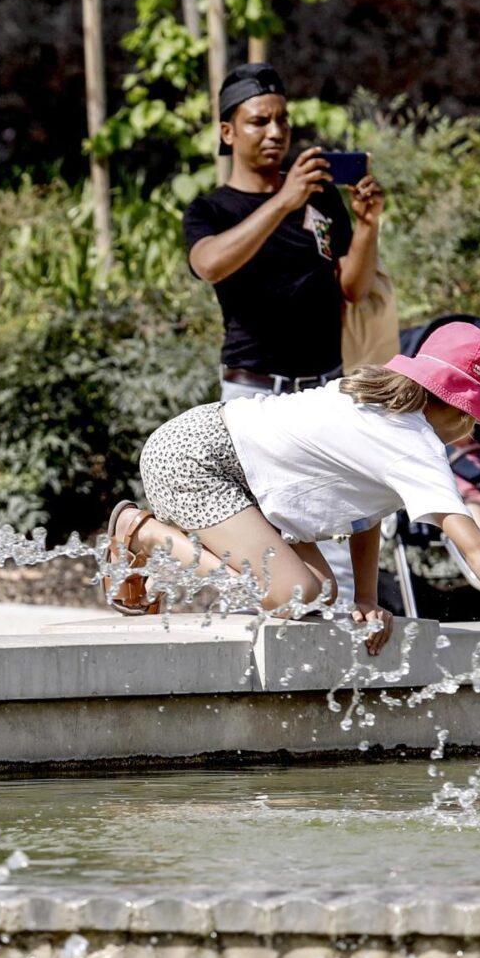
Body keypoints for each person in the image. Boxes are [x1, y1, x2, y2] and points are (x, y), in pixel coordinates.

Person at [99, 322, 480, 692]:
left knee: (320, 595)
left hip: (225, 458)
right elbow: (478, 546)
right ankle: (140, 533)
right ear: (458, 406)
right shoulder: (413, 442)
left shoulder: (385, 401)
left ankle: (151, 561)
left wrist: (367, 599)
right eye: (474, 417)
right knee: (294, 594)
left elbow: (367, 511)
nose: (474, 431)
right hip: (194, 459)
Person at [184, 64, 386, 597]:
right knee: (268, 556)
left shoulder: (320, 201)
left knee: (338, 545)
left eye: (282, 121)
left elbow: (352, 287)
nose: (275, 133)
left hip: (324, 389)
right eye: (258, 121)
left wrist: (367, 226)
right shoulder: (211, 209)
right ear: (228, 132)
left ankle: (346, 649)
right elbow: (209, 264)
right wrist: (283, 202)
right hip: (253, 396)